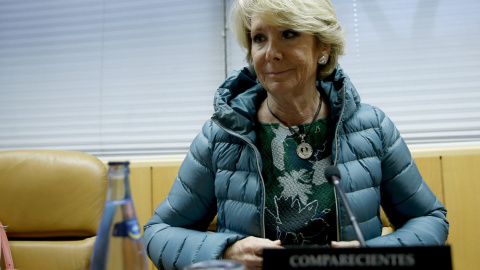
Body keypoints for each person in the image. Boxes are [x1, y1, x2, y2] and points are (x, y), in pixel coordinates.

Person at [143, 0, 449, 269]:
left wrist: (370, 256)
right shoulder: (222, 135)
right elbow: (159, 233)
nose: (270, 53)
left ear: (323, 48)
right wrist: (227, 251)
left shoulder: (373, 128)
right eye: (259, 38)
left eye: (288, 34)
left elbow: (429, 219)